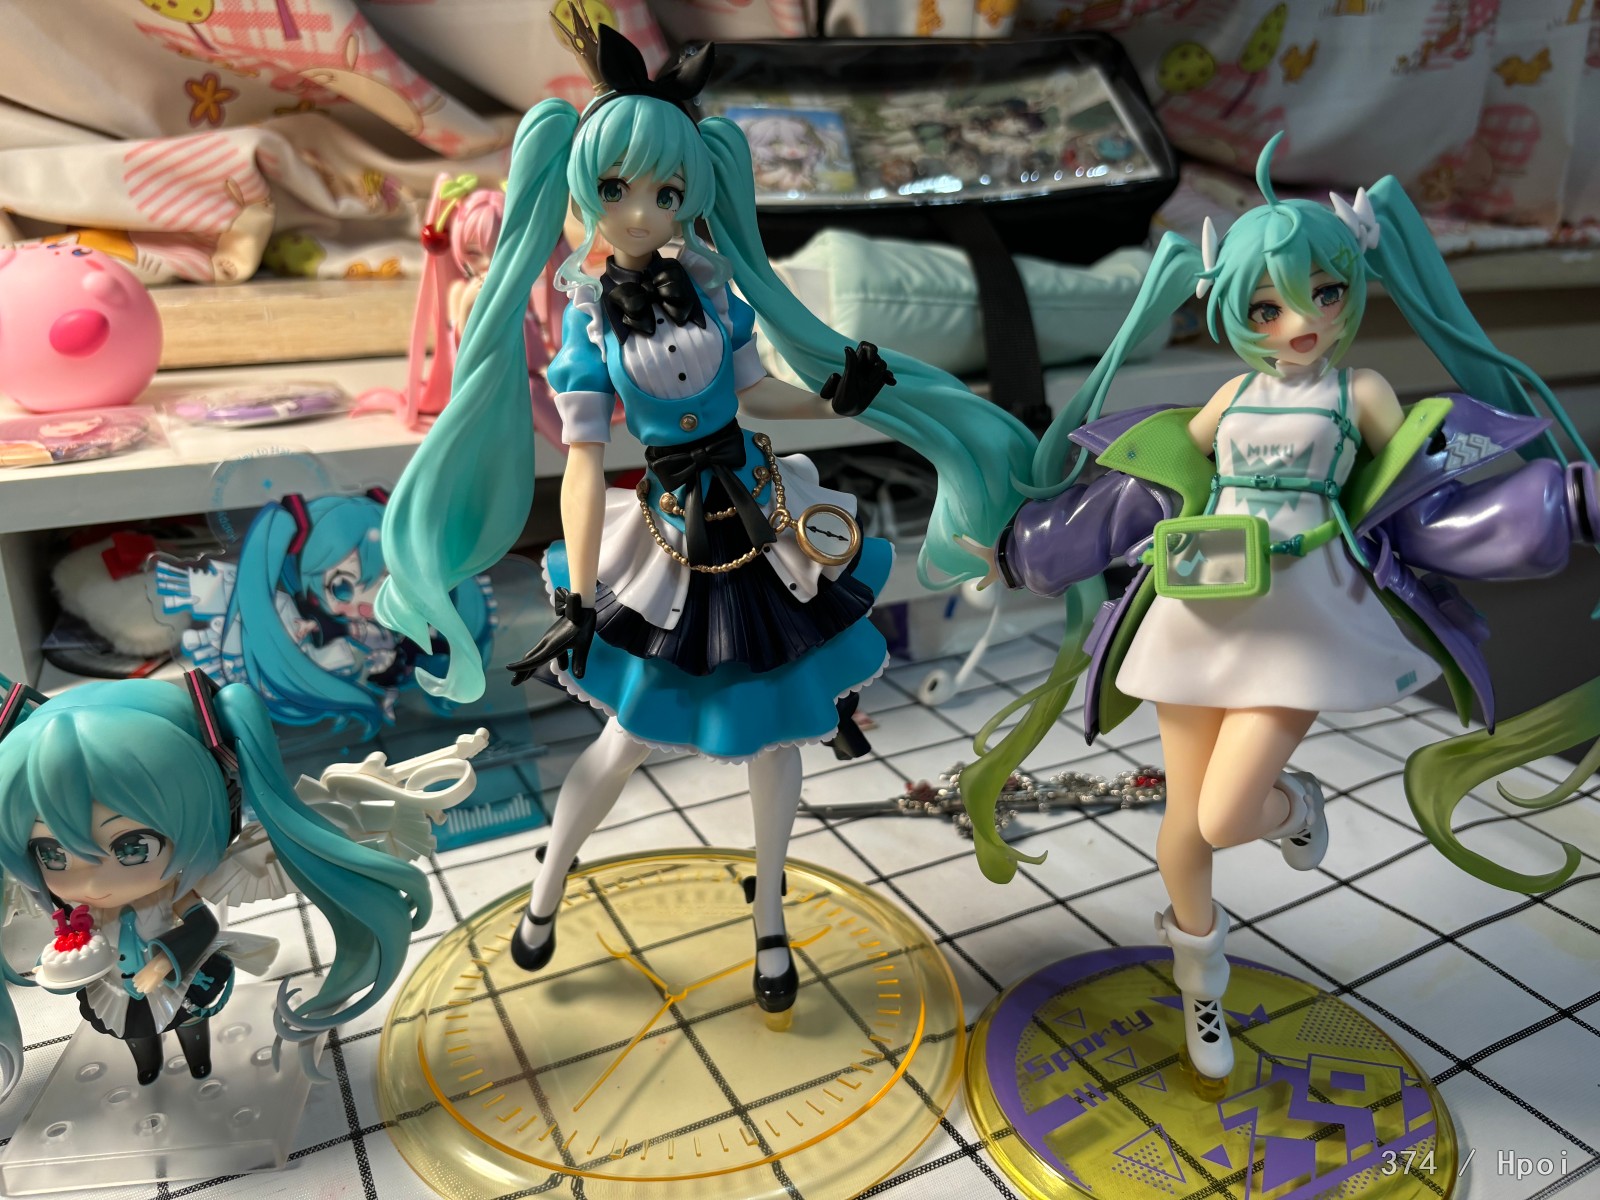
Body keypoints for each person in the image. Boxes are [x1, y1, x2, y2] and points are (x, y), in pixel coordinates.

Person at [374, 14, 1033, 1018]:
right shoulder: (589, 324)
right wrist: (580, 595)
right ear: (582, 191)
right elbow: (582, 466)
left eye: (667, 192)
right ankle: (546, 888)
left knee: (776, 734)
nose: (642, 211)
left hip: (757, 516)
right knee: (625, 740)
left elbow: (757, 397)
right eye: (617, 190)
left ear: (692, 194)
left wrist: (844, 398)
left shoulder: (719, 296)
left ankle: (768, 917)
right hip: (667, 536)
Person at [962, 133, 1599, 1083]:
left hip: (1302, 618)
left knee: (1225, 815)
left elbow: (1423, 500)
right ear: (1233, 309)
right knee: (1184, 828)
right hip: (1198, 606)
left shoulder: (1361, 391)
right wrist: (1025, 551)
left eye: (1322, 294)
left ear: (1349, 289)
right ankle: (1202, 987)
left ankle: (1293, 801)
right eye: (1268, 306)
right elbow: (1144, 490)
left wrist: (1562, 504)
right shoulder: (1227, 397)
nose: (1300, 321)